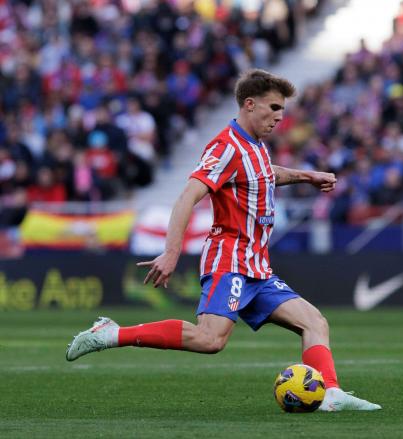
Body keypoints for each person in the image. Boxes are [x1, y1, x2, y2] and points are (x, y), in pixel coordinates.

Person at [65, 69, 381, 412]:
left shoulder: (255, 146)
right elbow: (188, 195)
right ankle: (111, 333)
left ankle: (330, 392)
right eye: (273, 107)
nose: (279, 116)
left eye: (282, 110)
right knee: (210, 339)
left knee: (314, 322)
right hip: (229, 259)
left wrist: (305, 175)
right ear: (249, 104)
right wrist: (171, 252)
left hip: (256, 266)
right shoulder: (226, 146)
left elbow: (265, 172)